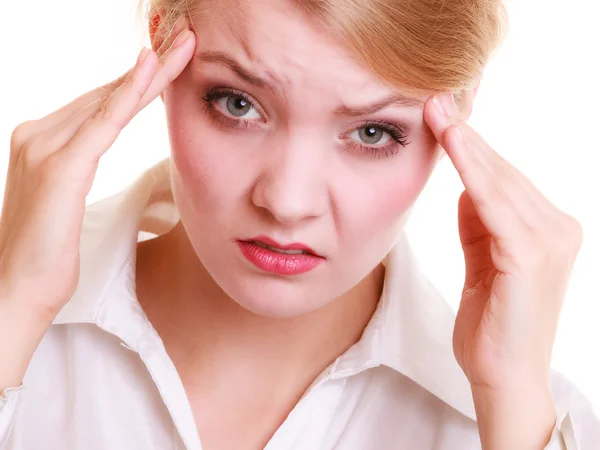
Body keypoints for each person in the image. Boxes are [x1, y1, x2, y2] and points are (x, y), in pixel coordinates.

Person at [0, 0, 598, 448]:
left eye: (371, 132)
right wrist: (13, 307)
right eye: (238, 103)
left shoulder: (534, 420)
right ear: (161, 47)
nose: (287, 202)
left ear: (458, 110)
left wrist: (512, 408)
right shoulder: (18, 325)